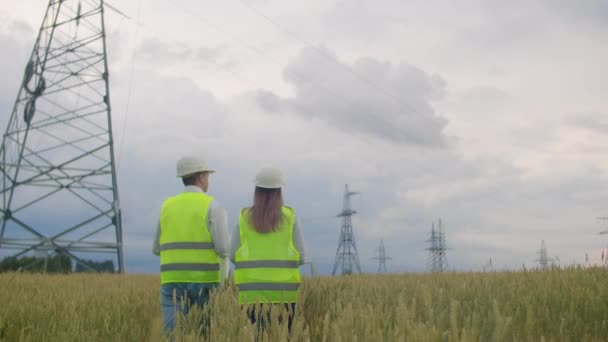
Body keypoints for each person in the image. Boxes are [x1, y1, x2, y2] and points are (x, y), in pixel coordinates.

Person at [153, 156, 230, 334]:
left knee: (173, 335)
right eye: (207, 176)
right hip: (205, 282)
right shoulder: (212, 205)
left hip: (171, 281)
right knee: (205, 334)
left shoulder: (167, 206)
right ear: (201, 176)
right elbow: (224, 249)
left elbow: (156, 248)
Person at [230, 167, 306, 333]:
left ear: (256, 191)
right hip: (284, 295)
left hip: (250, 295)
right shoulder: (290, 217)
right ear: (279, 191)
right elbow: (302, 258)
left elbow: (232, 255)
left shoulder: (243, 217)